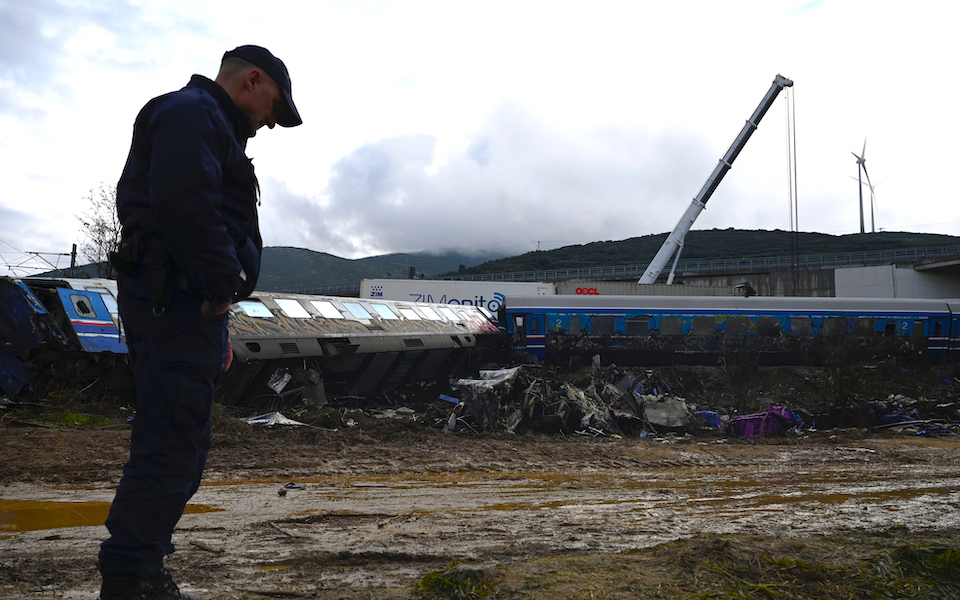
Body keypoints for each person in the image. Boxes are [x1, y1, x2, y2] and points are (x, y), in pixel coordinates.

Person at [98, 45, 302, 600]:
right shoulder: (191, 113)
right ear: (253, 81)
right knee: (169, 444)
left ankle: (142, 569)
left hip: (185, 306)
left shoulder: (203, 121)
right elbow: (185, 207)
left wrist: (221, 313)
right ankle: (129, 578)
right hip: (179, 304)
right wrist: (219, 290)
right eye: (274, 109)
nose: (269, 125)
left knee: (183, 442)